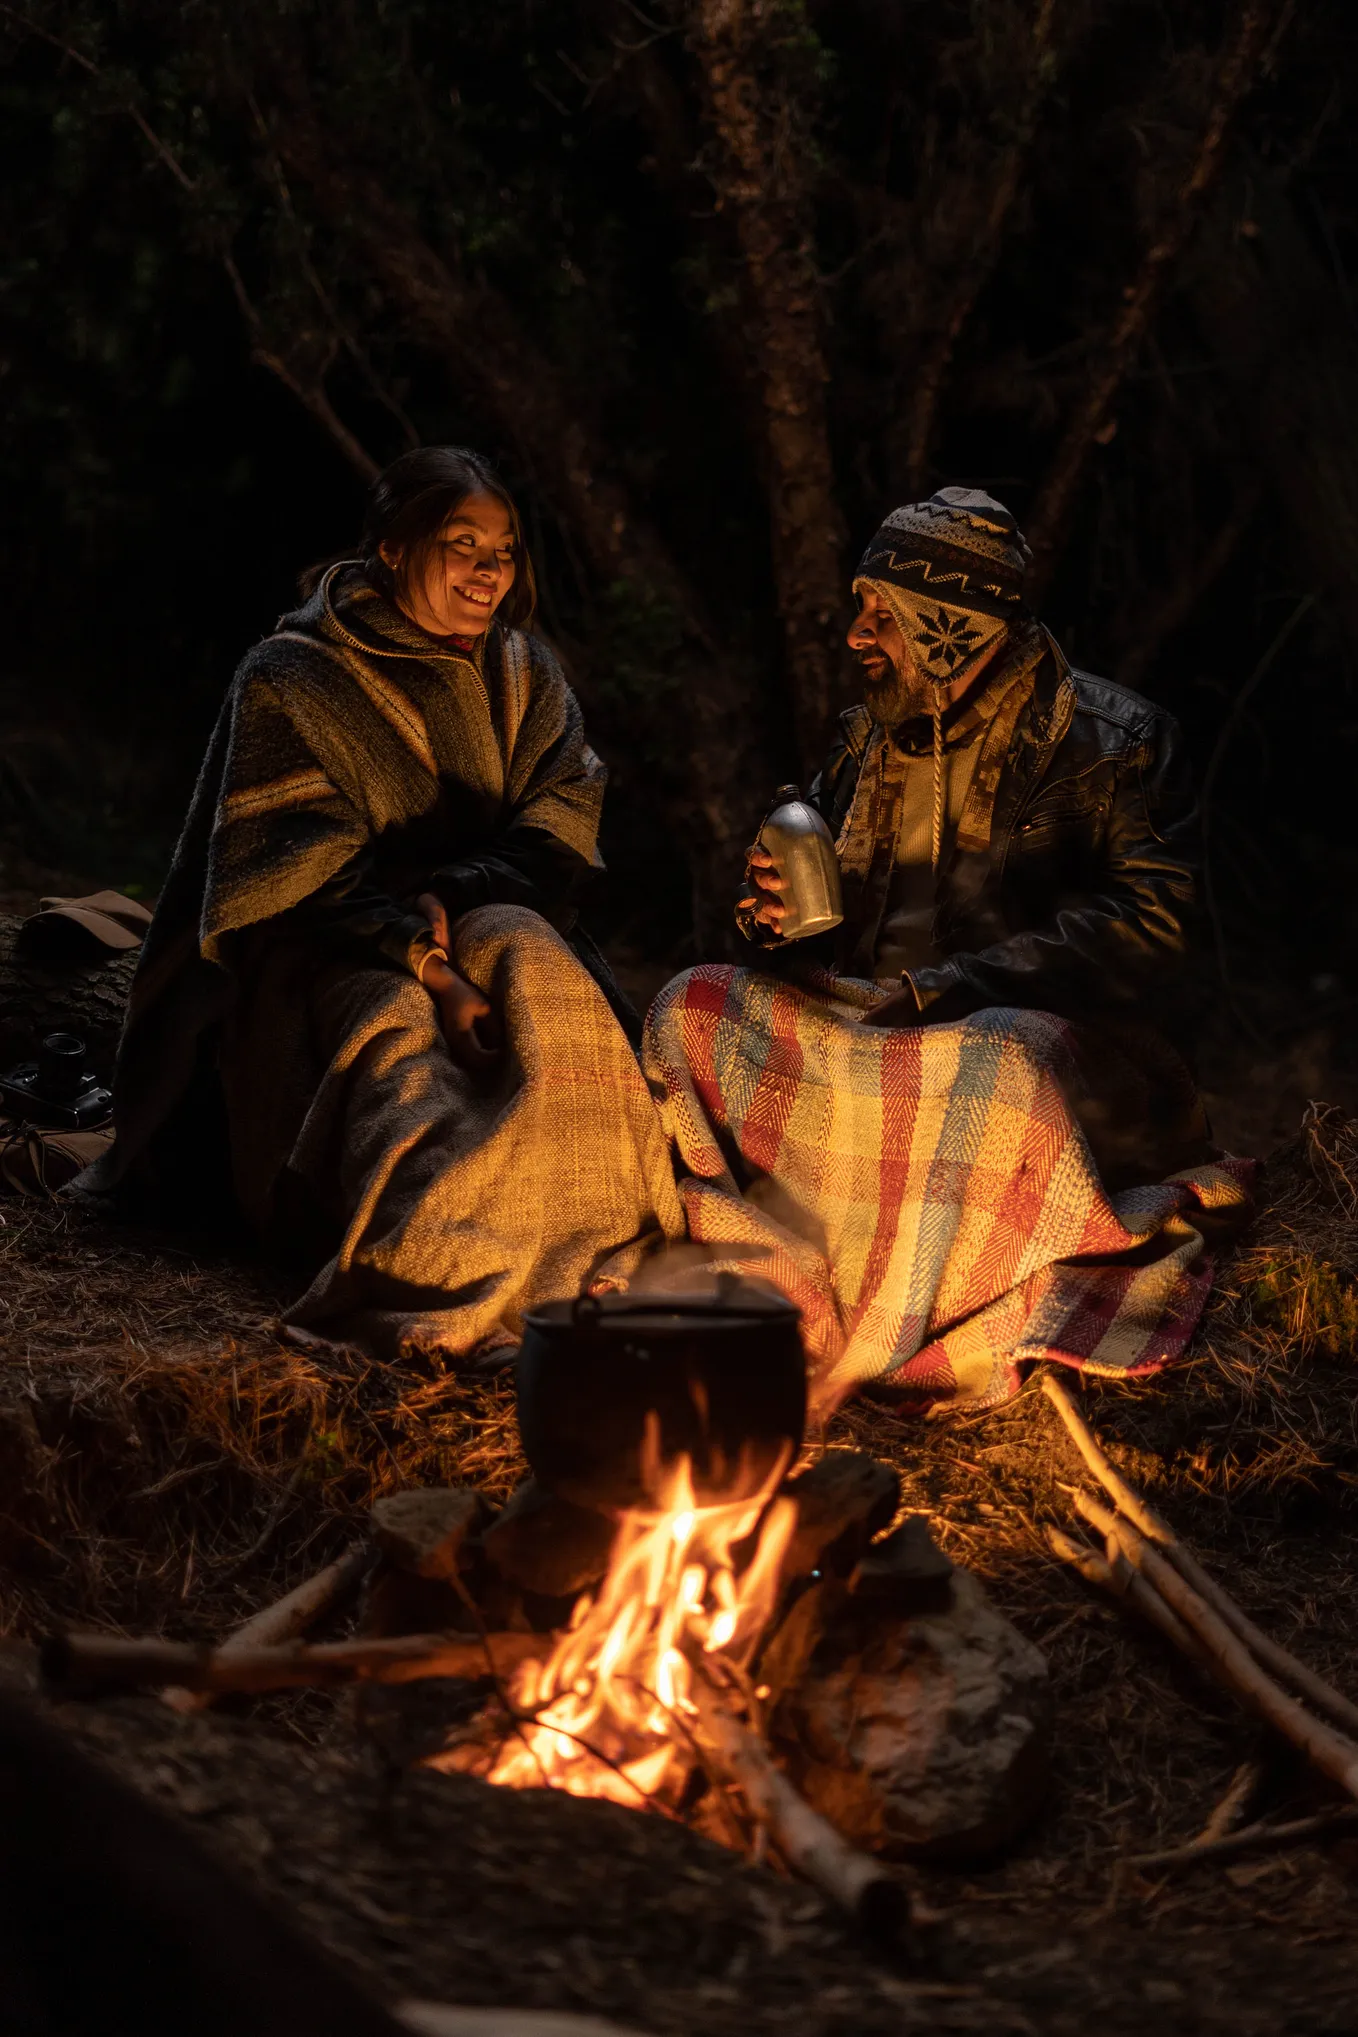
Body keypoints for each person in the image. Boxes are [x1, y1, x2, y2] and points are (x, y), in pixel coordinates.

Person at [645, 488, 1251, 1410]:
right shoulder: (864, 742)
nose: (856, 636)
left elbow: (1152, 927)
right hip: (881, 1027)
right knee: (689, 1005)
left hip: (1046, 1048)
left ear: (952, 627)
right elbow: (822, 934)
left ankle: (894, 1331)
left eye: (881, 616)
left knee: (989, 1060)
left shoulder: (1113, 739)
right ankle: (774, 1265)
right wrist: (773, 920)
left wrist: (953, 985)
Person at [85, 447, 683, 1359]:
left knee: (541, 977)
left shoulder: (522, 675)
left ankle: (598, 1249)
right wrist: (429, 961)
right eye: (463, 543)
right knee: (398, 1036)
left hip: (483, 913)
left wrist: (457, 894)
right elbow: (286, 867)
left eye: (506, 550)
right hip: (325, 944)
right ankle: (439, 1269)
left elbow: (557, 827)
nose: (490, 571)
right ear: (395, 548)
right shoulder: (293, 675)